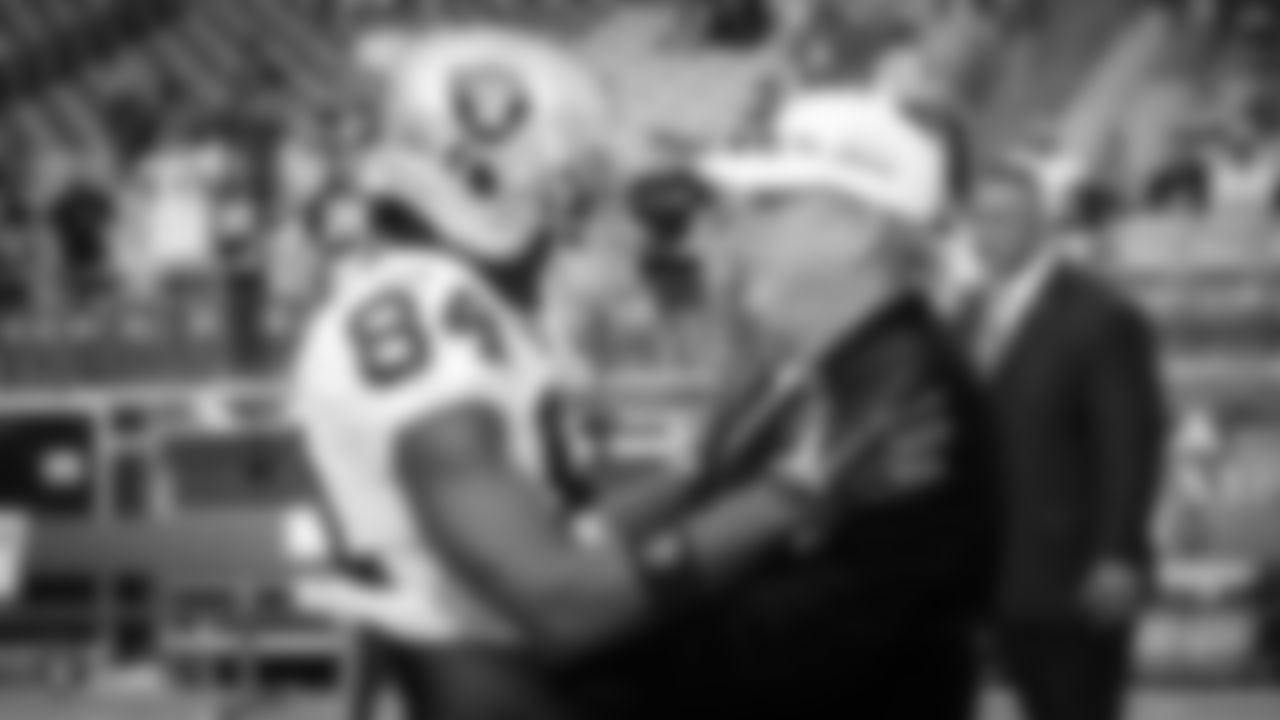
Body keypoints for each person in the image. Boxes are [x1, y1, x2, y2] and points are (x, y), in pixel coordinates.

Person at [286, 27, 943, 720]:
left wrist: (703, 471)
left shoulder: (459, 306)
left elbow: (571, 539)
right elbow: (559, 600)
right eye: (566, 182)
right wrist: (792, 493)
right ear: (484, 178)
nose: (579, 210)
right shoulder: (421, 310)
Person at [688, 87, 1002, 720]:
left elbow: (801, 647)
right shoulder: (821, 377)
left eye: (769, 203)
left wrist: (593, 634)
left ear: (856, 229)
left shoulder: (904, 391)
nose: (732, 228)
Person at [965, 159, 1167, 720]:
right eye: (978, 218)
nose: (987, 233)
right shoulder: (967, 314)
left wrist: (1118, 552)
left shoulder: (1101, 316)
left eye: (1004, 218)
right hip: (991, 577)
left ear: (1043, 225)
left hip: (1073, 577)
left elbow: (1132, 442)